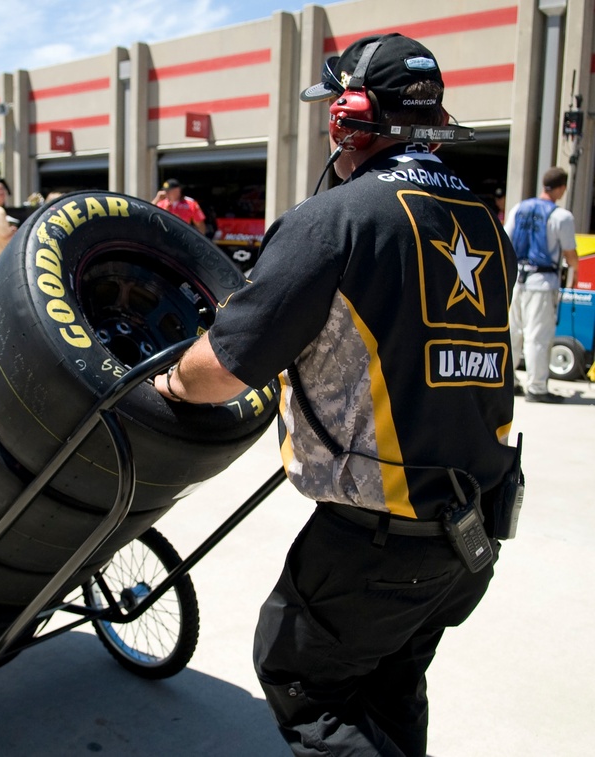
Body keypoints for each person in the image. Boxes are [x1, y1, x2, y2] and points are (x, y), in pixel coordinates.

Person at [152, 34, 518, 756]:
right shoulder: (488, 229)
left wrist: (168, 380)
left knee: (302, 679)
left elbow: (223, 367)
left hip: (376, 543)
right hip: (468, 533)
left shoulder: (334, 221)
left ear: (349, 119)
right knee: (388, 685)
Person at [505, 167, 578, 403]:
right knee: (537, 336)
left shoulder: (519, 209)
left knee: (513, 332)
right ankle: (536, 388)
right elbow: (570, 254)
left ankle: (508, 382)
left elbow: (507, 240)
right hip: (542, 282)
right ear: (562, 187)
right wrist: (573, 270)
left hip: (518, 279)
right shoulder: (561, 216)